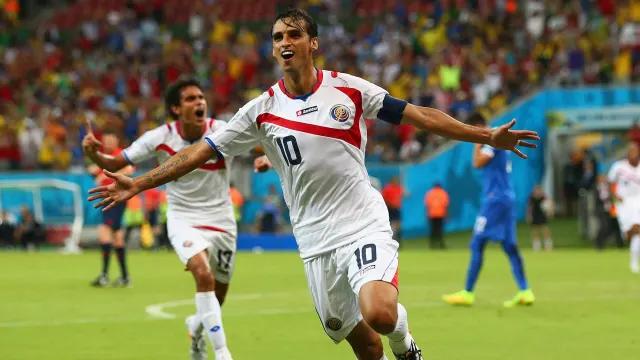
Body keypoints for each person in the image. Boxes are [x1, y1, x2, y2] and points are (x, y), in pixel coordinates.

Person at [88, 9, 538, 359]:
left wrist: (485, 135)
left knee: (379, 314)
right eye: (278, 37)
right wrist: (139, 183)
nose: (285, 42)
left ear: (312, 44)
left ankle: (406, 343)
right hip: (315, 241)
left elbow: (420, 115)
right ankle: (397, 342)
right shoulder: (260, 110)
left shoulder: (349, 89)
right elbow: (198, 151)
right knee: (363, 346)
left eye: (294, 35)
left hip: (362, 222)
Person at [83, 78, 253, 360]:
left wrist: (264, 158)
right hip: (182, 216)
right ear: (176, 108)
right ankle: (223, 353)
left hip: (221, 220)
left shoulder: (222, 131)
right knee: (201, 273)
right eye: (190, 99)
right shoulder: (159, 137)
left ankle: (196, 328)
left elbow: (257, 144)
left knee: (216, 297)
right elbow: (115, 163)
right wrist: (94, 154)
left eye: (201, 97)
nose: (199, 102)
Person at [443, 113, 535, 308]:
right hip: (506, 197)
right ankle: (525, 291)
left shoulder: (489, 139)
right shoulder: (498, 137)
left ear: (477, 125)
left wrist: (476, 141)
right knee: (510, 246)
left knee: (477, 243)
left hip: (494, 199)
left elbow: (478, 163)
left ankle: (467, 292)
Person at [87, 131, 131, 288]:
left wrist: (103, 177)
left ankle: (105, 276)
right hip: (109, 199)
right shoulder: (104, 157)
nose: (108, 143)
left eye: (111, 139)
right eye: (106, 140)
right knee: (117, 235)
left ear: (117, 140)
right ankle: (125, 277)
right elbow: (92, 169)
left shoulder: (119, 155)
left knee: (104, 232)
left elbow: (129, 170)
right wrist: (95, 171)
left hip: (116, 198)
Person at [607, 143, 640, 273]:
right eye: (631, 151)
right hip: (624, 203)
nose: (633, 154)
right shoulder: (619, 167)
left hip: (638, 201)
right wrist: (614, 195)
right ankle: (633, 258)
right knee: (630, 234)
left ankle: (633, 263)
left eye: (635, 151)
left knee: (637, 229)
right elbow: (610, 181)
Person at [595, 176, 624, 249]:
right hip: (602, 210)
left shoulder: (609, 187)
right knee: (604, 226)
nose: (604, 180)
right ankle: (599, 244)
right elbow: (602, 198)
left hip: (611, 210)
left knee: (615, 226)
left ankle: (620, 244)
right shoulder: (597, 188)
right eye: (601, 179)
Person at [527, 185, 553, 251]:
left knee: (545, 229)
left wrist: (549, 212)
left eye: (538, 190)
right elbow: (529, 208)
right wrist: (529, 216)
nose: (537, 191)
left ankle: (548, 245)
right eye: (536, 190)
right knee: (535, 230)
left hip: (542, 215)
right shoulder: (531, 198)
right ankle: (536, 246)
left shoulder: (544, 197)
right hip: (535, 215)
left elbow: (549, 204)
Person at [424, 183, 449, 249]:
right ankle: (441, 244)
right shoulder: (443, 193)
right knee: (439, 230)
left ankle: (432, 244)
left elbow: (427, 204)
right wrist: (446, 215)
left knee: (432, 230)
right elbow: (446, 205)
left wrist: (427, 214)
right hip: (440, 214)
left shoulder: (430, 193)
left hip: (432, 214)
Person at [381, 177, 404, 243]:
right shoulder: (388, 189)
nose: (396, 182)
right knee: (393, 224)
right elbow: (384, 199)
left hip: (396, 208)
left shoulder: (398, 188)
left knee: (397, 225)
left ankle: (394, 238)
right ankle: (391, 239)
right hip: (391, 208)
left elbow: (404, 194)